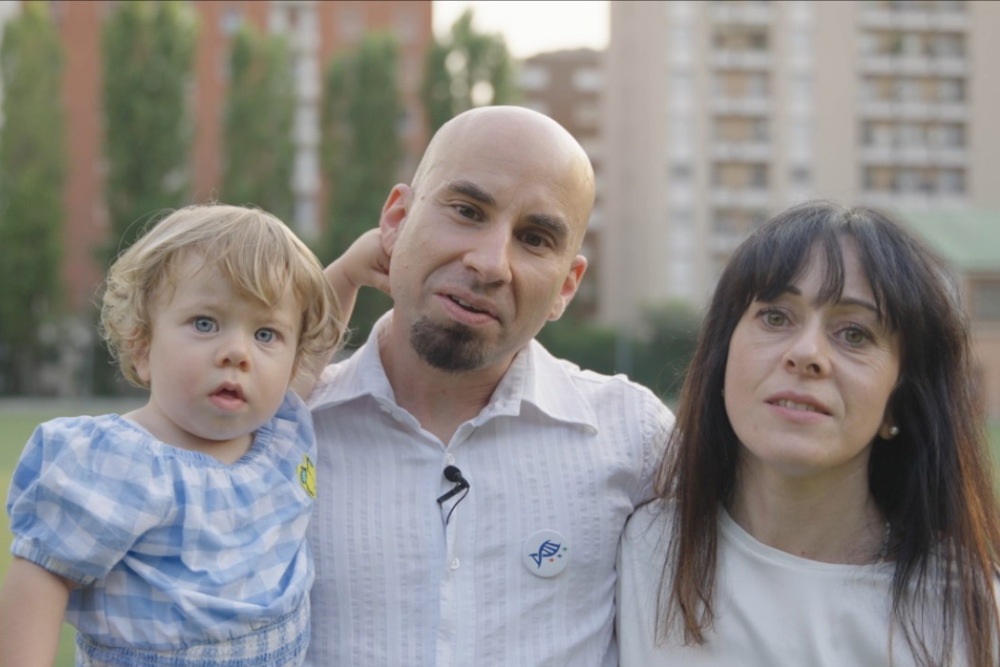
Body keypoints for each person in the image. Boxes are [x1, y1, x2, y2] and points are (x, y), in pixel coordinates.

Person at [306, 105, 675, 666]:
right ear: (396, 219)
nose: (489, 263)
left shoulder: (636, 439)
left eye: (534, 238)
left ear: (566, 287)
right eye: (466, 210)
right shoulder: (286, 427)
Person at [617, 201, 1000, 666]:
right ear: (723, 357)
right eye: (776, 317)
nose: (806, 353)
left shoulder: (969, 613)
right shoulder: (637, 551)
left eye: (855, 334)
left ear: (899, 397)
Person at [0, 204, 377, 667]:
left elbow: (313, 337)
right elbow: (40, 578)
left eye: (264, 334)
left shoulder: (279, 432)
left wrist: (352, 272)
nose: (237, 353)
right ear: (141, 345)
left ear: (293, 362)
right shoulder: (116, 463)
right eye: (205, 323)